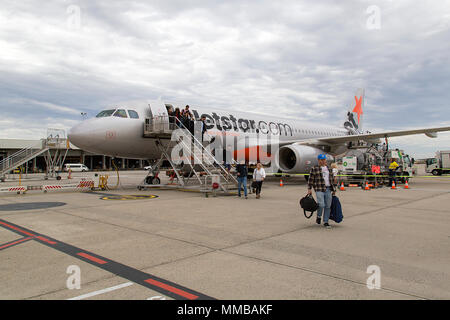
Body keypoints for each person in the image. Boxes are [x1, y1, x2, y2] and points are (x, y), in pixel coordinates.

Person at [307, 154, 336, 229]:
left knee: (328, 206)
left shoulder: (329, 168)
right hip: (319, 188)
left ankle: (326, 221)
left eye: (324, 160)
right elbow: (311, 179)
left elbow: (332, 179)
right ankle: (319, 216)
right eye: (321, 160)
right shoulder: (315, 168)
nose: (323, 161)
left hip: (328, 189)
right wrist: (309, 189)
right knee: (321, 204)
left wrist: (334, 189)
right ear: (318, 160)